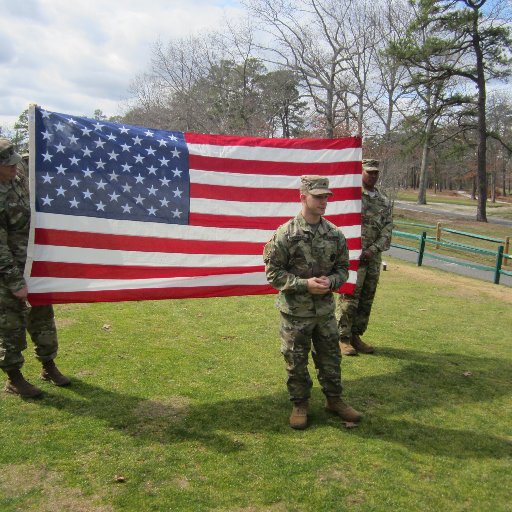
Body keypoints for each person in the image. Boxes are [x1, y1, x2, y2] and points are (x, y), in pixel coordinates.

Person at [263, 175, 362, 429]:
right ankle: (300, 404)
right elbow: (273, 274)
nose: (323, 202)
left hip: (325, 312)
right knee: (296, 359)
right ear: (302, 197)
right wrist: (304, 284)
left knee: (330, 358)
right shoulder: (286, 234)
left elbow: (343, 269)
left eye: (326, 197)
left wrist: (331, 282)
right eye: (318, 196)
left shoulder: (335, 234)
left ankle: (334, 399)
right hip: (296, 313)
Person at [0, 137, 70, 398]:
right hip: (9, 272)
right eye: (9, 166)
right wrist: (15, 282)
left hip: (34, 264)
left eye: (16, 164)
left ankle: (48, 364)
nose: (15, 169)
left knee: (43, 318)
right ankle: (14, 378)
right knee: (11, 325)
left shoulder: (17, 180)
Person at [337, 159, 393, 356]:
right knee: (349, 297)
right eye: (369, 172)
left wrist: (373, 249)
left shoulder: (384, 200)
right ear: (361, 172)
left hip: (372, 257)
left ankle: (355, 335)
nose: (373, 176)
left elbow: (387, 228)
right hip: (352, 256)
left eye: (376, 172)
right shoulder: (352, 197)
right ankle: (342, 338)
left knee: (367, 298)